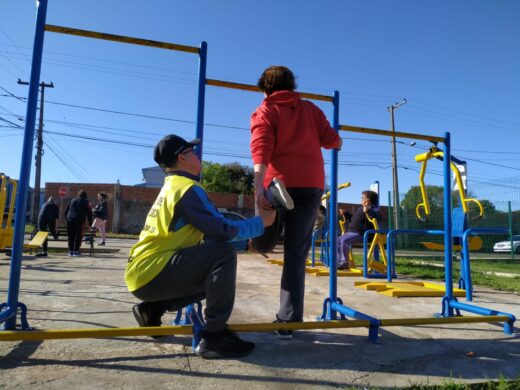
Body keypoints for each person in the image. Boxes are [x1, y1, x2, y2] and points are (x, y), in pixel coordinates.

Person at [125, 134, 275, 359]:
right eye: (192, 152)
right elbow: (221, 230)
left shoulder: (173, 187)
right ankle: (214, 338)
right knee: (223, 254)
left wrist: (246, 243)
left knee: (216, 279)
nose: (197, 156)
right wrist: (261, 223)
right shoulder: (187, 189)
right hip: (152, 271)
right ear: (182, 158)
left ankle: (152, 309)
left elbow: (209, 235)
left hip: (144, 274)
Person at [250, 66, 342, 339]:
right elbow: (332, 140)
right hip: (311, 184)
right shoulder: (311, 110)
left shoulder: (266, 110)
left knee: (263, 240)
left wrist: (257, 186)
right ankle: (288, 321)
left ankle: (267, 233)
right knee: (296, 254)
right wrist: (340, 141)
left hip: (279, 183)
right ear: (292, 85)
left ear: (265, 88)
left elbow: (261, 146)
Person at [336, 190, 381, 270]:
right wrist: (346, 214)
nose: (361, 199)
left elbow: (376, 218)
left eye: (363, 197)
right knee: (336, 241)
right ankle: (338, 261)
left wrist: (368, 211)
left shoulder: (374, 209)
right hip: (351, 232)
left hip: (361, 234)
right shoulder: (360, 209)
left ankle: (344, 262)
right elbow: (353, 218)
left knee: (344, 240)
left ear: (368, 200)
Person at [65, 190, 93, 257]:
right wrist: (90, 224)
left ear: (78, 195)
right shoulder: (86, 202)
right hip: (79, 220)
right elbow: (89, 213)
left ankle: (70, 251)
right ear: (85, 195)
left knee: (71, 236)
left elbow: (66, 212)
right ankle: (76, 251)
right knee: (78, 235)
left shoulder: (72, 200)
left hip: (70, 219)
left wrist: (68, 219)